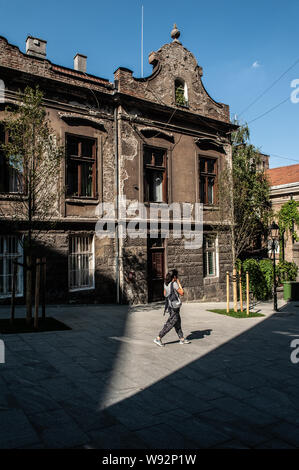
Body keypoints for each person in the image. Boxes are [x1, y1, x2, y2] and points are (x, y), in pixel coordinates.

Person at [154, 269, 191, 347]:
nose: (177, 277)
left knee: (177, 322)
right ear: (174, 276)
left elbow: (165, 294)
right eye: (177, 276)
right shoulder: (174, 284)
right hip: (175, 307)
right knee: (170, 323)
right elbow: (182, 292)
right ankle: (158, 338)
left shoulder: (165, 283)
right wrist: (178, 282)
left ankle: (181, 339)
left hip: (170, 306)